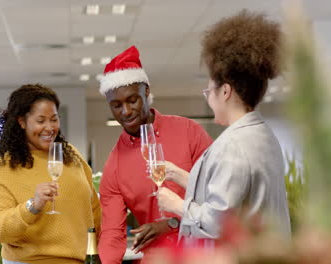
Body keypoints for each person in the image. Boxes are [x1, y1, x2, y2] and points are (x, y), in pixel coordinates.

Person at [157, 10, 291, 243]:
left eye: (209, 91)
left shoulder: (233, 145)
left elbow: (216, 222)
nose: (208, 98)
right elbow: (231, 195)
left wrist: (177, 205)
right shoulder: (262, 135)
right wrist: (180, 176)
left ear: (226, 91)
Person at [97, 46, 213, 263]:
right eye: (116, 105)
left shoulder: (189, 132)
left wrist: (172, 223)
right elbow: (112, 233)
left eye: (132, 100)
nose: (126, 111)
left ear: (146, 91)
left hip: (201, 255)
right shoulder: (114, 164)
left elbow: (219, 198)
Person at [0, 84, 101, 264]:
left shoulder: (72, 157)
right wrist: (32, 206)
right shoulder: (3, 168)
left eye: (54, 119)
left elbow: (94, 210)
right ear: (21, 122)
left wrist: (100, 250)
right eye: (41, 121)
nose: (49, 127)